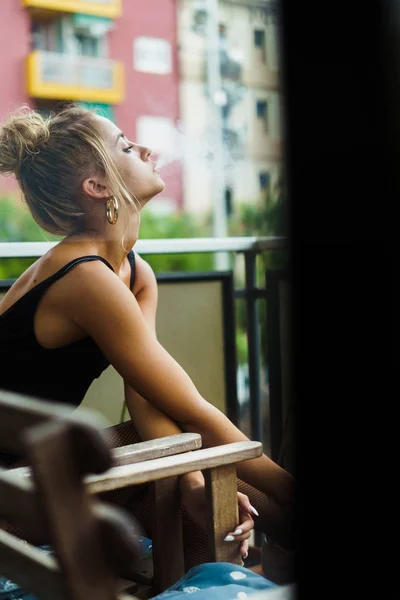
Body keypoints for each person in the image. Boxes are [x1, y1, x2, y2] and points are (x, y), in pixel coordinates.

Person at [0, 104, 295, 577]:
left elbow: (149, 402)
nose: (147, 149)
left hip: (37, 476)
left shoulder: (133, 273)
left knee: (193, 472)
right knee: (223, 482)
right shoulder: (85, 277)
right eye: (125, 146)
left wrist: (195, 483)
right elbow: (192, 407)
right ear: (97, 187)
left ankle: (230, 571)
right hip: (12, 495)